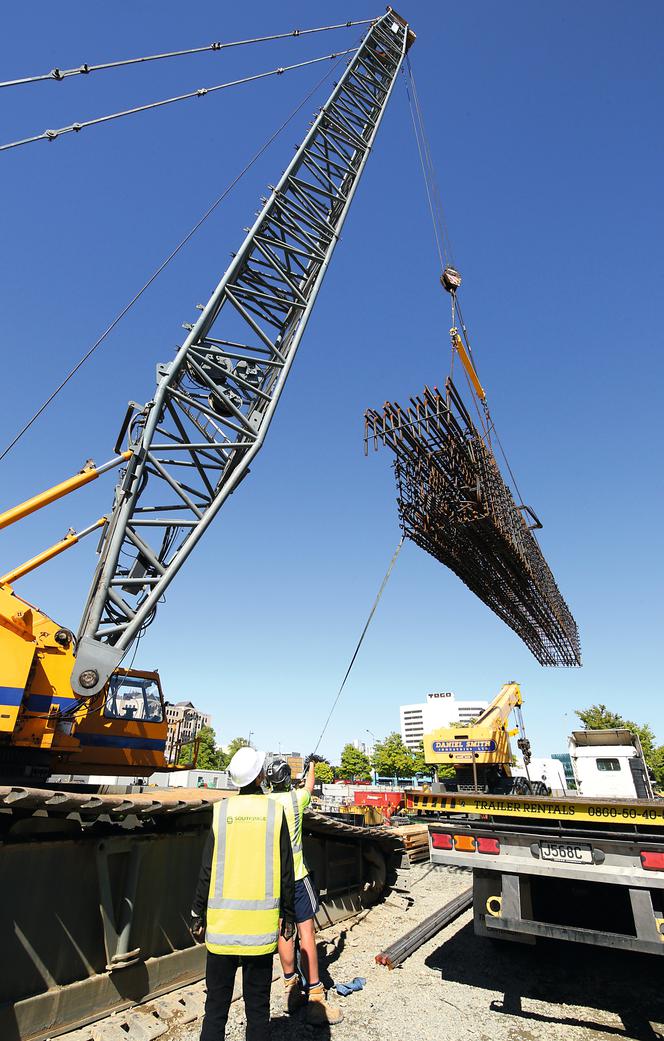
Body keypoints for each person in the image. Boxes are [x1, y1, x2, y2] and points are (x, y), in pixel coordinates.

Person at [190, 746, 296, 1041]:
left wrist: (197, 913)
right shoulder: (275, 812)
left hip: (222, 931)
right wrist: (289, 916)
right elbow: (286, 869)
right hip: (260, 933)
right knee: (258, 1010)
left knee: (215, 1009)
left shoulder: (221, 811)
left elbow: (207, 869)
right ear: (261, 776)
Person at [266, 754, 343, 1026]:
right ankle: (315, 996)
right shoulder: (296, 799)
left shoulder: (265, 803)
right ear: (288, 777)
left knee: (283, 931)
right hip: (298, 877)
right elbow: (309, 787)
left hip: (274, 881)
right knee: (306, 933)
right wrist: (311, 766)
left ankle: (290, 988)